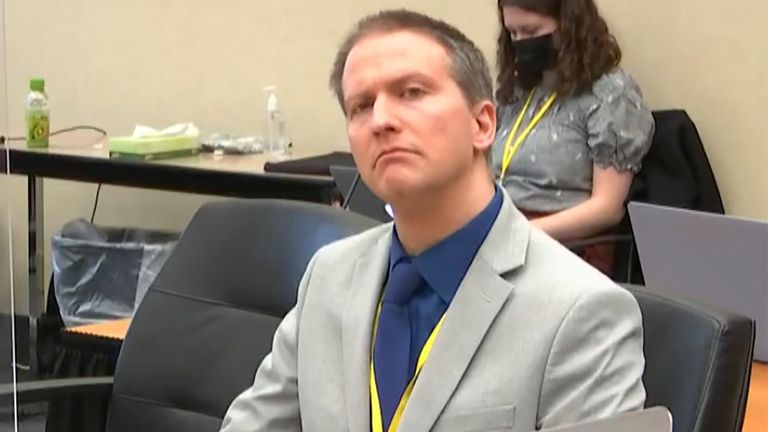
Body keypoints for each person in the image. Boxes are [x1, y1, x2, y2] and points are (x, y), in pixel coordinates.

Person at [220, 9, 645, 432]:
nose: (382, 120)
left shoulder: (581, 311)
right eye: (361, 106)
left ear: (482, 124)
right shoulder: (328, 277)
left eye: (411, 92)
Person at [493, 0, 655, 274]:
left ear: (569, 27)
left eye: (531, 32)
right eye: (514, 33)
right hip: (503, 233)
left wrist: (521, 234)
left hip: (565, 247)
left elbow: (607, 209)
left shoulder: (610, 94)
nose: (521, 43)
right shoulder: (520, 92)